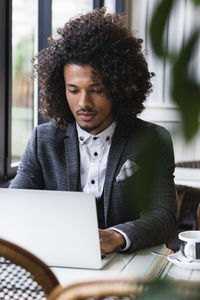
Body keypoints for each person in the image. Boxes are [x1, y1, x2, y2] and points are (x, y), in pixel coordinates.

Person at [10, 7, 176, 254]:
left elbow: (163, 216)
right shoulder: (42, 140)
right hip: (62, 260)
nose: (83, 103)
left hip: (129, 261)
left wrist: (115, 236)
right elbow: (16, 205)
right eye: (73, 90)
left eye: (96, 89)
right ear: (61, 89)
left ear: (119, 87)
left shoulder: (153, 140)